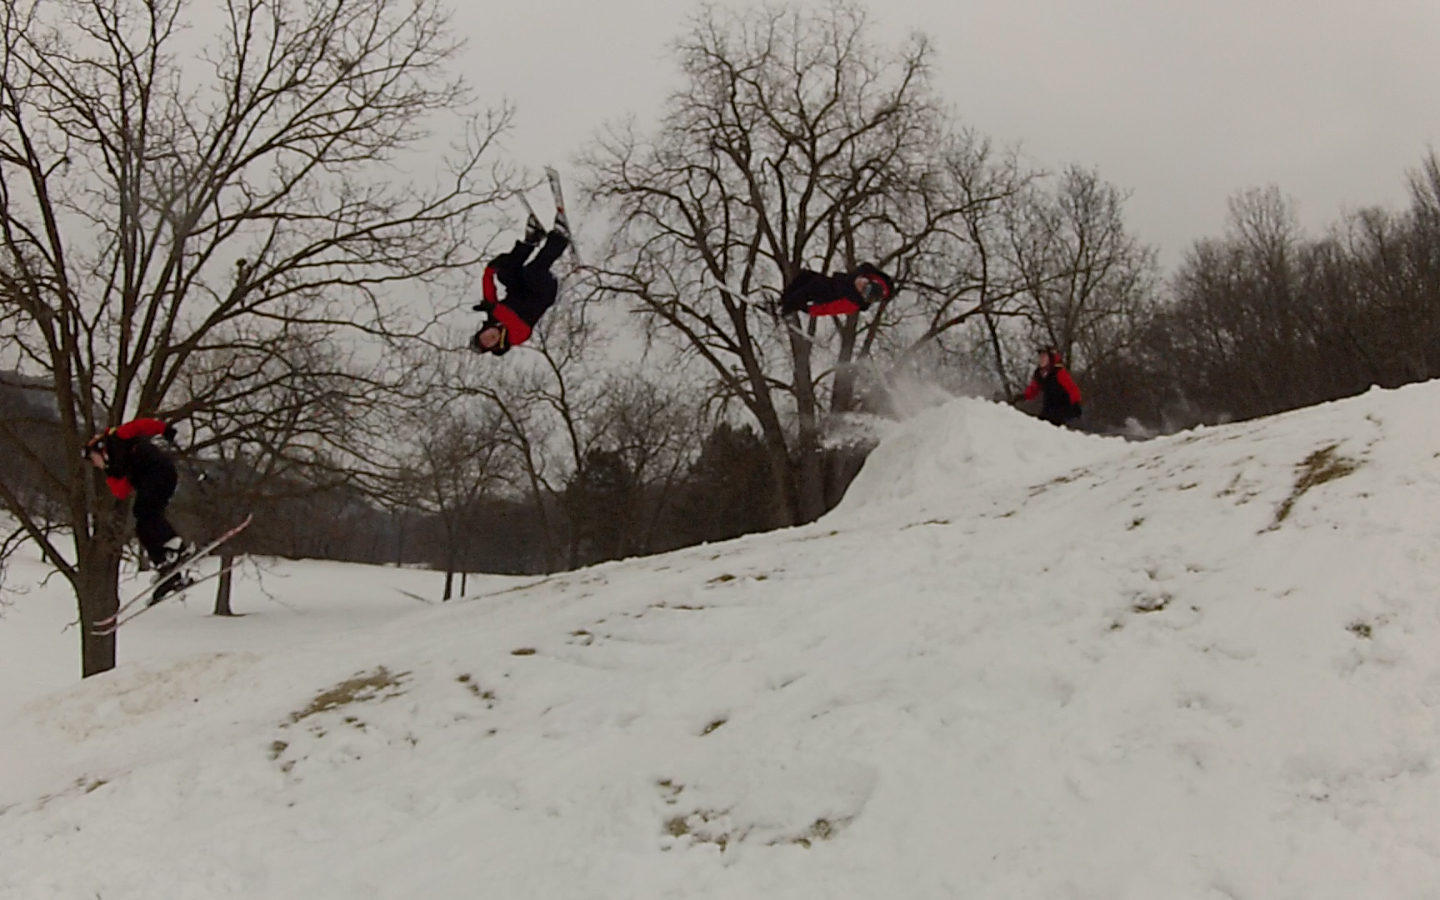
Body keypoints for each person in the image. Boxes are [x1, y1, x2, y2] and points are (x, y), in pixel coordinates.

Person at [83, 417, 194, 602]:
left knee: (145, 511)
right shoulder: (114, 468)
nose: (95, 465)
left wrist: (163, 429)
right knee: (142, 526)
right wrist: (110, 472)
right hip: (150, 482)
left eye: (93, 459)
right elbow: (120, 492)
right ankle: (167, 571)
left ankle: (176, 544)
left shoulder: (117, 438)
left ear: (99, 450)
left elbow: (140, 425)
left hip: (159, 471)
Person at [470, 214, 571, 355]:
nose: (489, 337)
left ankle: (532, 240)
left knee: (505, 273)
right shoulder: (515, 338)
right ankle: (559, 239)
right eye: (489, 343)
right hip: (542, 293)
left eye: (484, 337)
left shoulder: (493, 316)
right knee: (533, 271)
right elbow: (514, 321)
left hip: (522, 288)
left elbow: (489, 293)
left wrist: (490, 270)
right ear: (495, 346)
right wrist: (494, 309)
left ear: (482, 331)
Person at [778, 263, 895, 317]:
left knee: (808, 290)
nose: (860, 285)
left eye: (861, 290)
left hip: (828, 296)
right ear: (868, 280)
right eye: (864, 284)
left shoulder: (852, 302)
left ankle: (784, 309)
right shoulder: (866, 273)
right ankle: (783, 301)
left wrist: (810, 310)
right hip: (832, 283)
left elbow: (831, 309)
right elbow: (868, 268)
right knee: (805, 276)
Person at [1019, 347, 1083, 426]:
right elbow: (1034, 388)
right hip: (1048, 406)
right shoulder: (1040, 373)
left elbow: (1072, 388)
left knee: (1052, 425)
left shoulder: (1059, 372)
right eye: (1040, 357)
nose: (1042, 359)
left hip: (1062, 407)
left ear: (1050, 358)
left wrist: (1076, 403)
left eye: (1044, 357)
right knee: (1040, 425)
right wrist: (1023, 396)